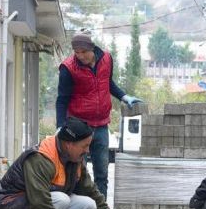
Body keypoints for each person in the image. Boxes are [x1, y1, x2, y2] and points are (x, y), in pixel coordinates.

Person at [0, 117, 135, 209]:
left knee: (88, 205)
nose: (88, 150)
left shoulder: (75, 159)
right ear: (69, 144)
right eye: (84, 146)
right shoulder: (41, 158)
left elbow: (90, 190)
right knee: (61, 200)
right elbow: (40, 202)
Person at [56, 32, 142, 199]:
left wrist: (124, 96)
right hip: (79, 127)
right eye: (76, 52)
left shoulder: (107, 59)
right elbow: (62, 100)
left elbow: (108, 83)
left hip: (101, 125)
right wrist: (60, 126)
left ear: (92, 49)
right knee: (77, 172)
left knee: (102, 172)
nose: (80, 56)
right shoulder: (68, 68)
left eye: (83, 52)